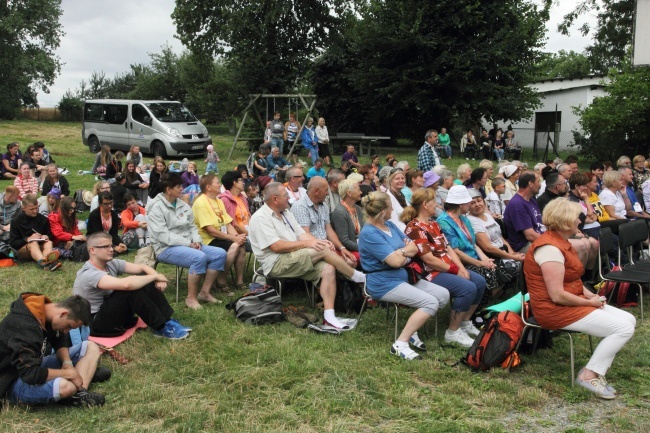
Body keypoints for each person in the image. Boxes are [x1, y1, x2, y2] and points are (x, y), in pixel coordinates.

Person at [524, 198, 635, 399]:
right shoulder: (549, 249)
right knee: (623, 328)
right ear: (565, 221)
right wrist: (589, 303)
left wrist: (590, 293)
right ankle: (588, 375)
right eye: (577, 217)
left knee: (630, 320)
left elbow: (570, 280)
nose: (580, 221)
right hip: (553, 310)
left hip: (567, 303)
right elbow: (557, 295)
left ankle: (594, 371)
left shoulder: (561, 242)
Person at [249, 182, 366, 330]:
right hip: (276, 263)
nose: (289, 198)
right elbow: (276, 247)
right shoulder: (261, 217)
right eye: (286, 195)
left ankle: (329, 317)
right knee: (322, 249)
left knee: (328, 269)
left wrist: (318, 242)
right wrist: (313, 245)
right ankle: (358, 277)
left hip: (294, 257)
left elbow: (302, 234)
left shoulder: (286, 212)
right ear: (275, 199)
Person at [358, 191, 446, 359]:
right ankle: (400, 344)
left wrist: (401, 253)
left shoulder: (389, 225)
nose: (393, 210)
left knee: (443, 295)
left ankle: (412, 330)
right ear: (383, 211)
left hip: (402, 276)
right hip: (382, 282)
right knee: (430, 302)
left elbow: (414, 248)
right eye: (391, 207)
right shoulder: (369, 234)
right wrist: (405, 253)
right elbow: (396, 262)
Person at [401, 189, 485, 347]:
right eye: (434, 201)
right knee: (467, 288)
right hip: (429, 273)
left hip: (446, 267)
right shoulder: (414, 228)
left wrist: (462, 268)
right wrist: (455, 271)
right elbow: (429, 259)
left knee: (479, 282)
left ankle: (464, 322)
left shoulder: (433, 223)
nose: (438, 204)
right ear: (425, 205)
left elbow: (448, 248)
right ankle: (452, 332)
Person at [73, 232, 191, 340]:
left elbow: (142, 268)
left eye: (111, 246)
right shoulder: (88, 273)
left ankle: (167, 320)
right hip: (94, 324)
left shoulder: (111, 263)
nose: (111, 249)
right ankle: (160, 327)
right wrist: (155, 277)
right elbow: (126, 285)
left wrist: (156, 276)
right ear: (92, 250)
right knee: (130, 289)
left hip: (110, 314)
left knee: (144, 280)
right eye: (105, 247)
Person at [0, 293, 106, 407]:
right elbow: (30, 374)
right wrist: (68, 373)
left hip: (36, 365)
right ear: (63, 313)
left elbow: (58, 339)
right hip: (12, 380)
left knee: (91, 347)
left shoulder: (44, 311)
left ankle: (80, 393)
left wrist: (67, 362)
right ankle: (75, 383)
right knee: (66, 387)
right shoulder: (25, 327)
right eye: (69, 326)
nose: (66, 331)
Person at [147, 172, 228, 309]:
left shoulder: (182, 205)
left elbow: (192, 226)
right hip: (165, 248)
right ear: (169, 189)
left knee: (220, 254)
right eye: (178, 186)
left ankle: (204, 292)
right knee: (199, 257)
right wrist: (188, 243)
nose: (182, 189)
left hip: (189, 245)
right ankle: (191, 298)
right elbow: (163, 236)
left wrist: (196, 240)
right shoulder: (156, 207)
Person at [437, 186, 499, 306]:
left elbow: (473, 244)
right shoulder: (444, 221)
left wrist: (485, 260)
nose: (470, 205)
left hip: (473, 259)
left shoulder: (464, 219)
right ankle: (476, 311)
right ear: (460, 204)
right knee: (486, 275)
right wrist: (479, 263)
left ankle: (484, 307)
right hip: (461, 262)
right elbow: (455, 251)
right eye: (468, 202)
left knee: (495, 268)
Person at [193, 173, 247, 292]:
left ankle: (239, 281)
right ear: (208, 187)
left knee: (241, 245)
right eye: (217, 183)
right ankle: (220, 280)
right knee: (234, 246)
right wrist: (233, 239)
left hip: (219, 237)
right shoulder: (201, 203)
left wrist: (237, 237)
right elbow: (210, 230)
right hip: (206, 240)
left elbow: (227, 224)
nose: (220, 185)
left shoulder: (218, 201)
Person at [291, 176, 359, 266]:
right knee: (349, 262)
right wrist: (325, 245)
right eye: (326, 190)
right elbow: (305, 235)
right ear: (316, 191)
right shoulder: (300, 207)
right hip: (313, 249)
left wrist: (341, 248)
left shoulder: (324, 206)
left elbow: (329, 230)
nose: (327, 193)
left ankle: (347, 277)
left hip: (326, 246)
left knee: (352, 260)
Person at [9, 194, 61, 270]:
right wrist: (27, 239)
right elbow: (13, 243)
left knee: (49, 242)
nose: (35, 211)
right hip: (23, 250)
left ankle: (46, 261)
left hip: (40, 248)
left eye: (36, 208)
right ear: (24, 208)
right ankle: (46, 263)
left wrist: (46, 236)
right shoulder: (16, 221)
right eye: (31, 209)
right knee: (33, 243)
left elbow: (50, 236)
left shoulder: (43, 219)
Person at [503, 171, 545, 253]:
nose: (540, 185)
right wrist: (553, 242)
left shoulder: (531, 199)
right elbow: (530, 235)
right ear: (530, 184)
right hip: (525, 245)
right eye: (538, 181)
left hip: (540, 238)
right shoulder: (517, 204)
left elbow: (540, 221)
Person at [330, 179, 365, 262]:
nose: (361, 192)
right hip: (349, 249)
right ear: (349, 193)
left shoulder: (357, 208)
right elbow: (344, 241)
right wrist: (365, 248)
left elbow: (363, 230)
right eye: (358, 190)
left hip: (361, 244)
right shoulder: (340, 212)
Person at [218, 170, 252, 248]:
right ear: (235, 183)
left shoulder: (242, 197)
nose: (243, 182)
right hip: (239, 236)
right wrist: (251, 235)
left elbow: (248, 216)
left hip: (249, 232)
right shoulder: (225, 200)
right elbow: (234, 225)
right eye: (241, 180)